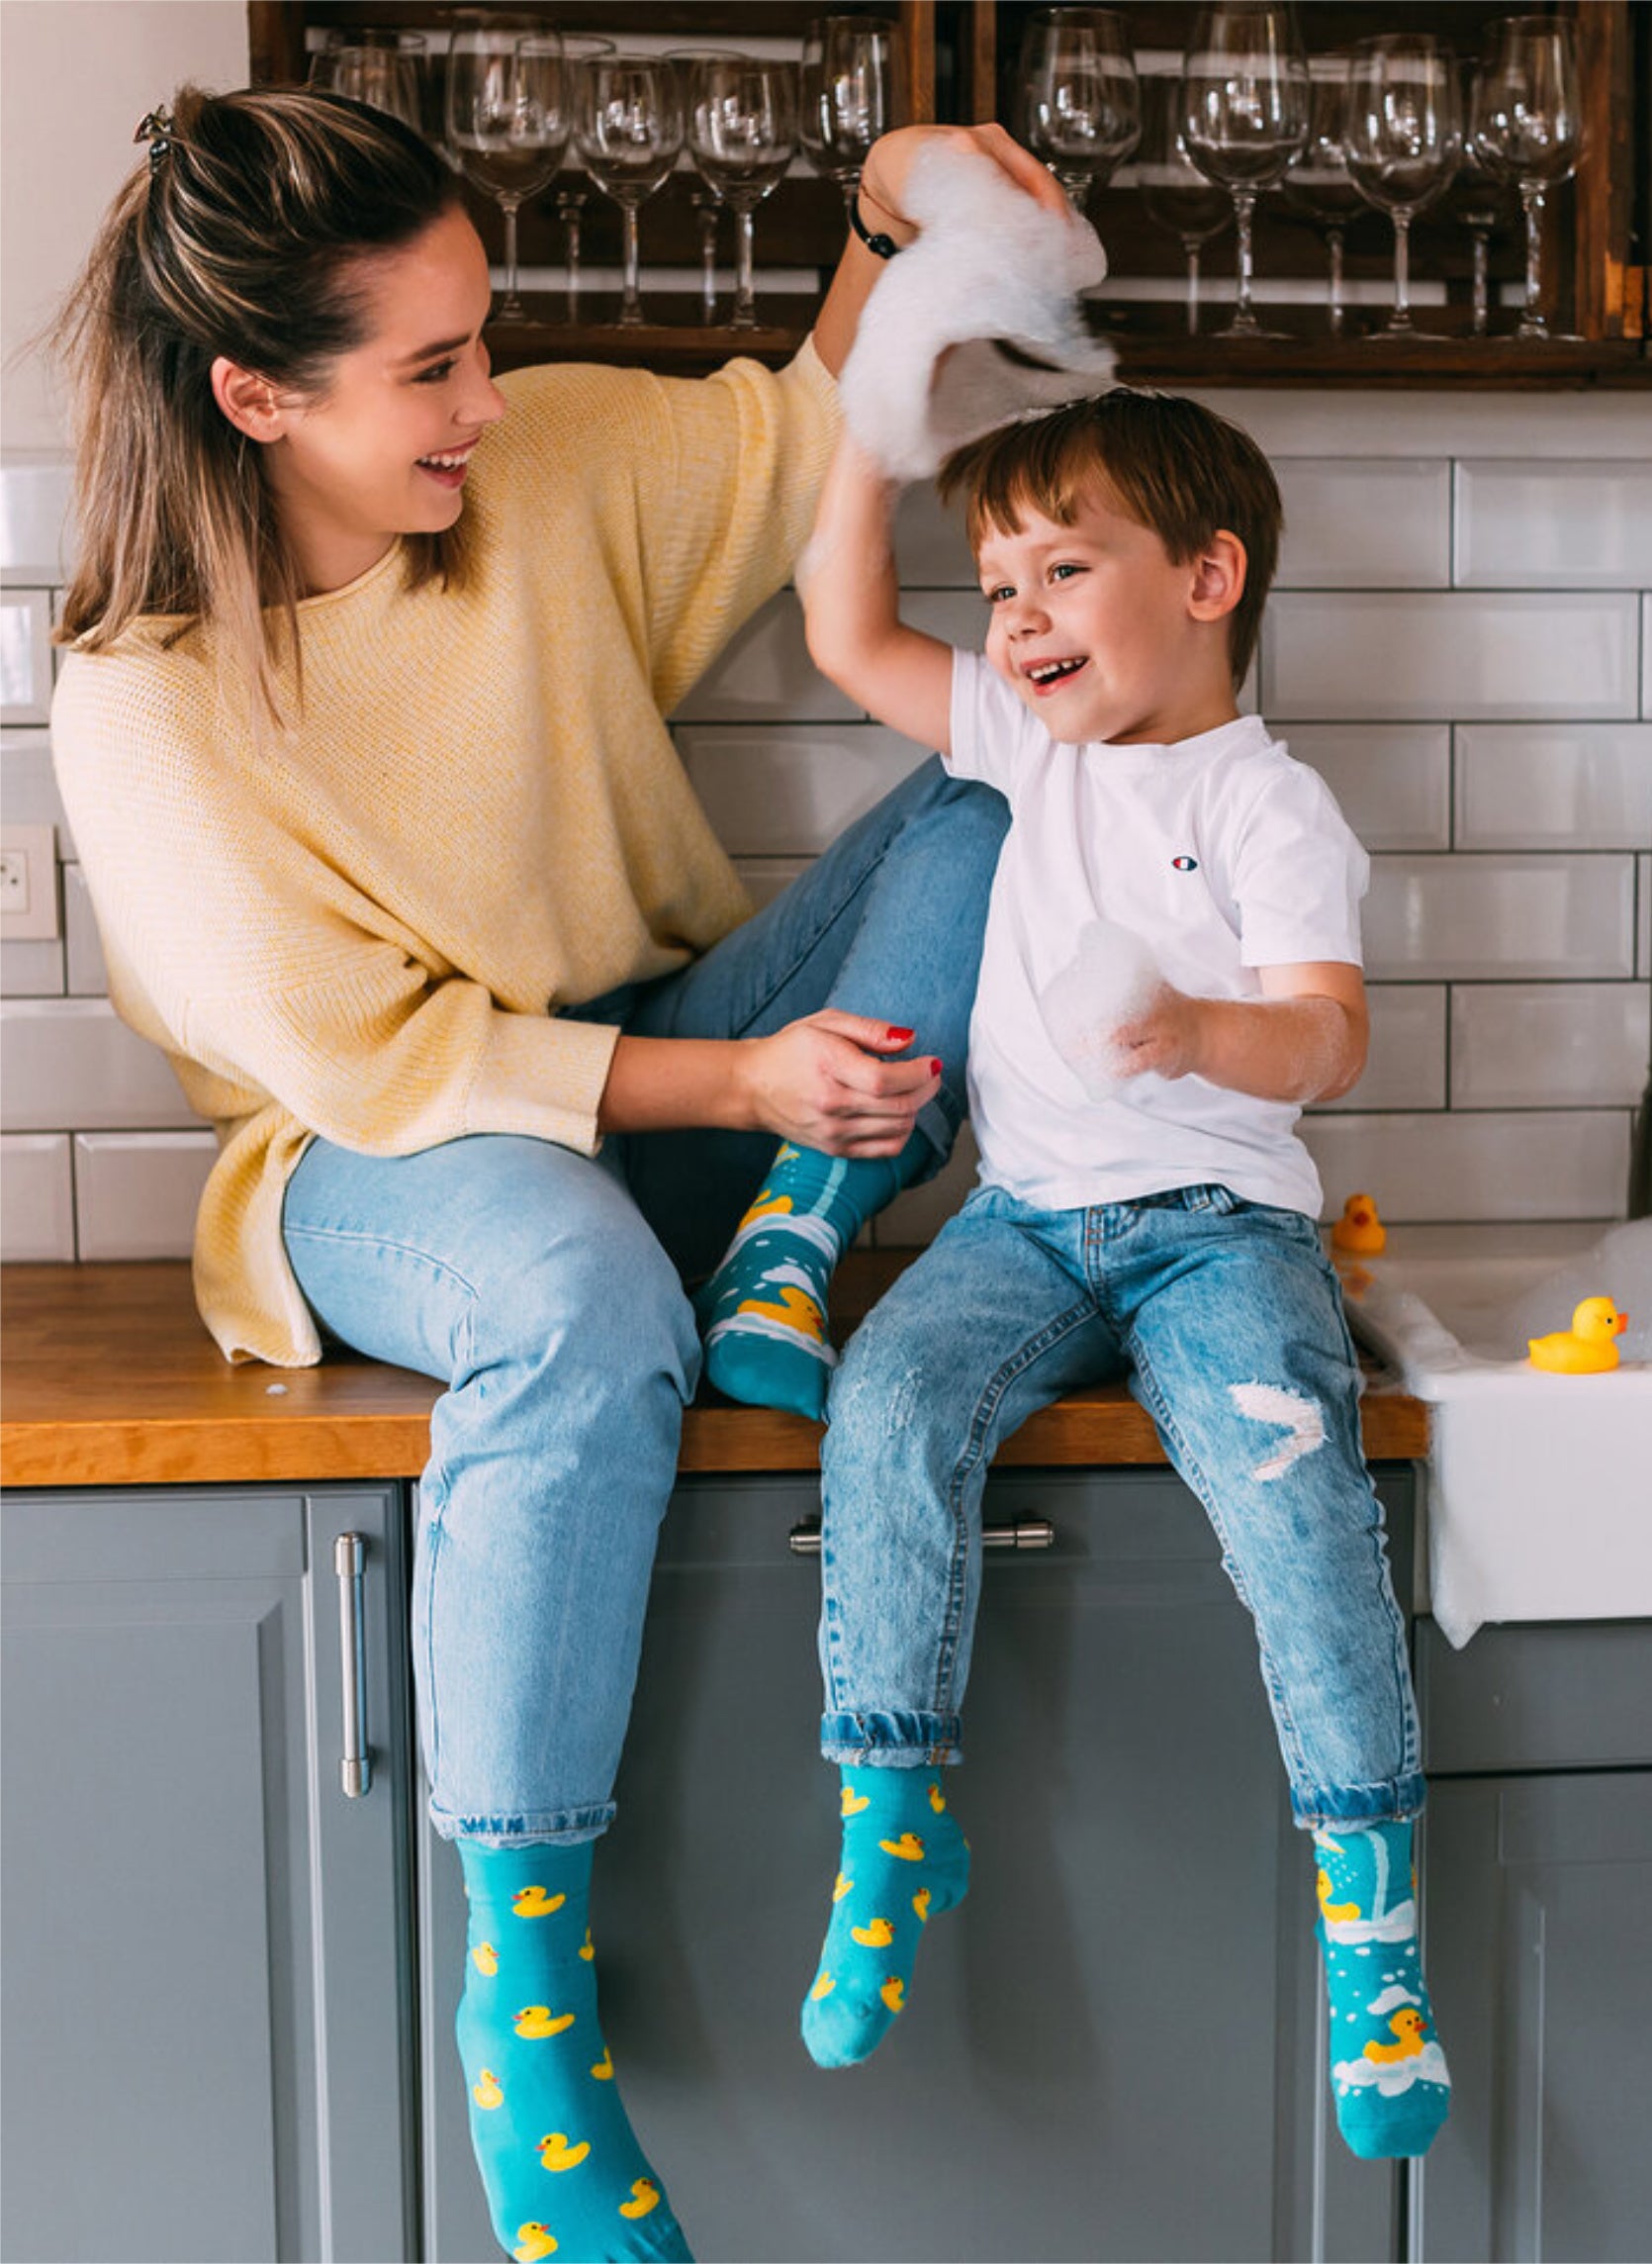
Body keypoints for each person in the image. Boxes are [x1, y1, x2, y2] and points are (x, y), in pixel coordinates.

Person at [48, 85, 1065, 2262]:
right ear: (255, 395)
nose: (485, 402)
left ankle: (790, 1259)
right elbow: (374, 1054)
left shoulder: (542, 468)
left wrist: (889, 213)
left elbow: (802, 430)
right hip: (380, 1155)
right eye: (428, 366)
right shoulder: (144, 705)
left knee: (1002, 793)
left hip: (676, 1086)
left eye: (478, 340)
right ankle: (525, 2012)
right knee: (583, 1302)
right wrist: (744, 1089)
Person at [793, 389, 1452, 2167]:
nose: (1010, 618)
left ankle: (1373, 1949)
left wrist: (1192, 1032)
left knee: (1296, 1493)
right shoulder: (1030, 748)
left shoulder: (1264, 800)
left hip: (1214, 1230)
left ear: (1209, 578)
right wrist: (870, 412)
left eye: (1060, 570)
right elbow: (846, 626)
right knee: (891, 1402)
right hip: (1019, 1224)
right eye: (995, 581)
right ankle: (885, 1839)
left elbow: (1328, 1035)